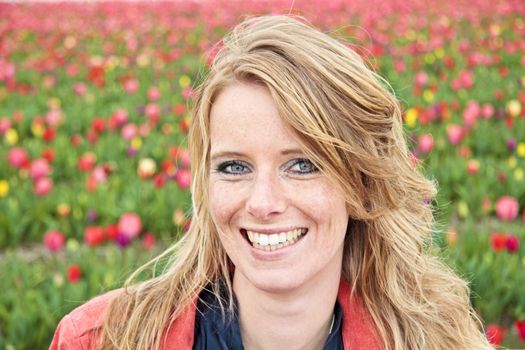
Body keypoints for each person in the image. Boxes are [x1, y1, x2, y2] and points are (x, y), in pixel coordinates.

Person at [50, 15, 492, 350]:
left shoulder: (437, 340)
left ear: (360, 182)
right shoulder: (100, 339)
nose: (263, 203)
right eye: (233, 167)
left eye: (301, 165)